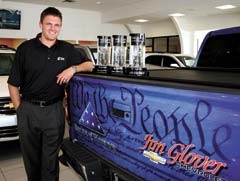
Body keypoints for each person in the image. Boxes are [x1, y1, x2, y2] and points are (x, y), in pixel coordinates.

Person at [7, 7, 94, 181]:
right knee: (31, 160)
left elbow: (90, 65)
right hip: (29, 110)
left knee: (50, 160)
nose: (53, 28)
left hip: (54, 111)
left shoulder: (67, 49)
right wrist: (20, 110)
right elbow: (13, 83)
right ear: (41, 24)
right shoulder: (25, 48)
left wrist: (73, 68)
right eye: (49, 24)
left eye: (57, 25)